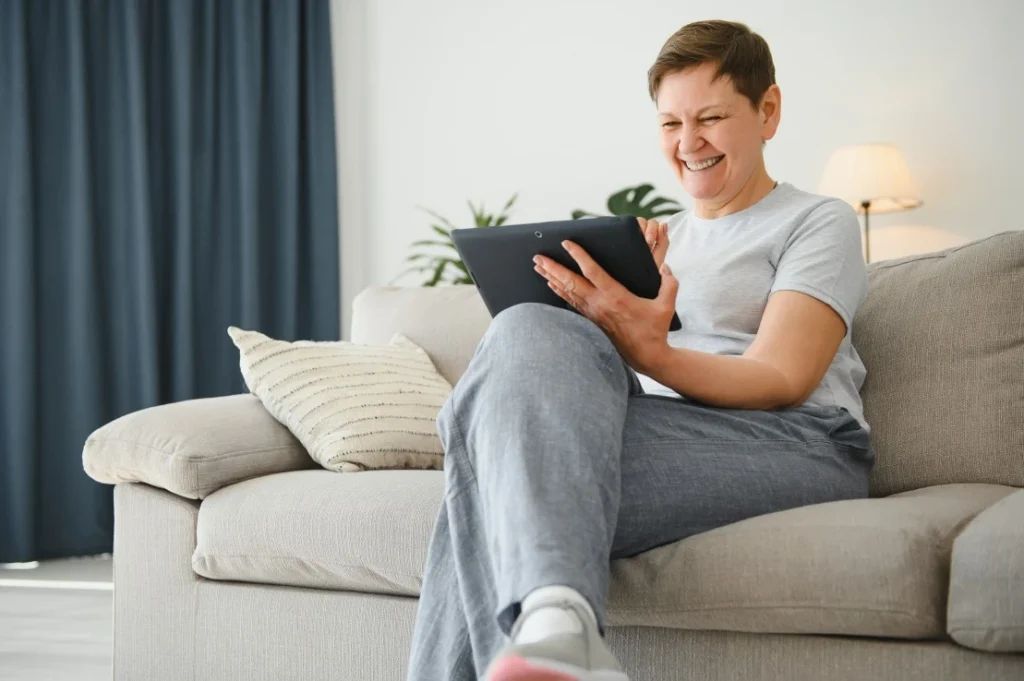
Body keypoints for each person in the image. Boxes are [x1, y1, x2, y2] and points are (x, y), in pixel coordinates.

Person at [406, 19, 874, 681]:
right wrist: (598, 330)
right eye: (670, 124)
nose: (690, 144)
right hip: (670, 430)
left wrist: (646, 349)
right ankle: (557, 630)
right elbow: (595, 381)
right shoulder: (654, 241)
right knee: (525, 329)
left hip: (800, 439)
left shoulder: (816, 220)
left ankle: (560, 637)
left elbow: (782, 376)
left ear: (768, 112)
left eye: (710, 117)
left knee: (485, 473)